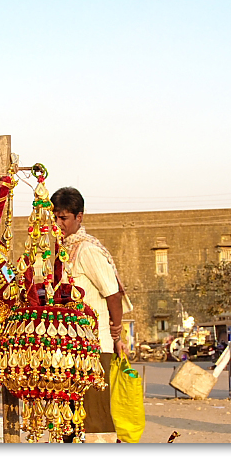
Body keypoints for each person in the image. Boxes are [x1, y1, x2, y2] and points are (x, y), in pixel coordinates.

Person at [50, 187, 133, 444]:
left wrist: (116, 331)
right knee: (71, 415)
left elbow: (113, 293)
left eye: (63, 218)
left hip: (95, 346)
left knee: (93, 415)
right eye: (55, 217)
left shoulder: (87, 250)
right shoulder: (61, 251)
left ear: (79, 217)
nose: (58, 224)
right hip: (71, 345)